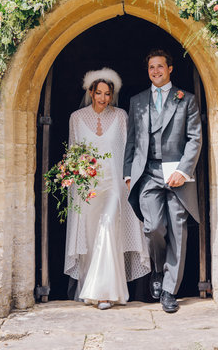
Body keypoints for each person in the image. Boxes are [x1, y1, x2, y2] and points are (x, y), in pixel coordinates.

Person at [123, 49, 202, 313]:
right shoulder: (137, 100)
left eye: (160, 67)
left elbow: (194, 138)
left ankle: (170, 290)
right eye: (151, 68)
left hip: (177, 173)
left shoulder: (186, 100)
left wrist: (184, 169)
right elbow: (132, 140)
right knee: (154, 227)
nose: (155, 71)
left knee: (179, 230)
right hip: (148, 172)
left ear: (170, 69)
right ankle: (158, 270)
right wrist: (127, 171)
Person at [64, 68, 150, 309]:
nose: (103, 98)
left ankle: (106, 293)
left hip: (114, 187)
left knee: (108, 230)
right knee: (90, 239)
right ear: (90, 92)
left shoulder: (121, 116)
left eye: (107, 94)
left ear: (113, 95)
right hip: (88, 190)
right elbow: (73, 154)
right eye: (98, 92)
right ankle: (91, 290)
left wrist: (130, 179)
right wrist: (74, 179)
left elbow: (128, 151)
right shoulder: (77, 118)